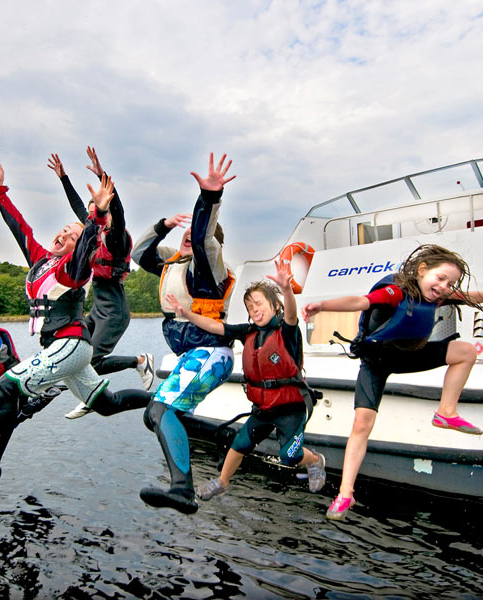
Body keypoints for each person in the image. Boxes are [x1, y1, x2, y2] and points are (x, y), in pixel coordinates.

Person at [0, 164, 152, 492]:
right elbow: (20, 228)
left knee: (7, 387)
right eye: (63, 231)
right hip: (62, 349)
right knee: (106, 404)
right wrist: (0, 193)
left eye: (72, 235)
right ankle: (160, 400)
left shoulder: (74, 269)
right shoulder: (41, 260)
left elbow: (87, 246)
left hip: (71, 345)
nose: (64, 235)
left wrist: (97, 216)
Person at [301, 244, 483, 520]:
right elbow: (361, 302)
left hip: (410, 356)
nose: (445, 286)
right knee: (362, 423)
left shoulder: (438, 296)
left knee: (466, 352)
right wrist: (323, 306)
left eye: (451, 282)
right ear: (422, 271)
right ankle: (345, 494)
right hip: (377, 362)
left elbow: (466, 295)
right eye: (441, 278)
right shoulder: (395, 293)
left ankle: (446, 412)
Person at [165, 258, 327, 503]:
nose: (255, 311)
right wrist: (185, 313)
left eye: (259, 304)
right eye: (250, 308)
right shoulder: (248, 332)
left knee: (289, 456)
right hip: (263, 409)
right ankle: (222, 481)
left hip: (290, 409)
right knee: (239, 443)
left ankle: (315, 461)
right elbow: (215, 326)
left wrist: (285, 289)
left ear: (275, 305)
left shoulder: (286, 331)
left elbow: (292, 314)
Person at [131, 152, 236, 514]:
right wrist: (162, 225)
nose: (189, 237)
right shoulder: (173, 263)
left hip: (209, 351)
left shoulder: (206, 270)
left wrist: (209, 198)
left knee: (161, 412)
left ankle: (182, 490)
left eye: (196, 235)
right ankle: (224, 437)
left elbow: (205, 236)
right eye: (185, 234)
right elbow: (138, 253)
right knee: (153, 415)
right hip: (194, 354)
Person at [47, 148, 154, 420]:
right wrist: (64, 178)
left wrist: (102, 175)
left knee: (89, 360)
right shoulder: (93, 233)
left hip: (115, 312)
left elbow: (117, 210)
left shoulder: (116, 239)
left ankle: (140, 361)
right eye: (95, 210)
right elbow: (77, 207)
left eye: (101, 209)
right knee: (74, 350)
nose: (96, 214)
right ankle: (91, 395)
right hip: (97, 310)